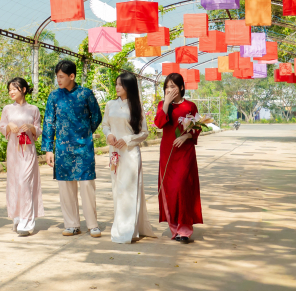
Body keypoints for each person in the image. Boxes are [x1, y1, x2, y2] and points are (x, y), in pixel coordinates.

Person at [42, 59, 103, 237]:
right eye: (57, 77)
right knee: (65, 187)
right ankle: (71, 224)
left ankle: (92, 225)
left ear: (72, 76)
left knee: (87, 186)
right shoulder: (54, 96)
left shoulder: (86, 94)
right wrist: (48, 149)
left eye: (61, 76)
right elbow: (49, 122)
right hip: (62, 149)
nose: (58, 80)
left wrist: (85, 133)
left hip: (84, 148)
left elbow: (96, 116)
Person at [103, 72, 155, 244]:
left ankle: (128, 230)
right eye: (116, 84)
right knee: (117, 189)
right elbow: (105, 125)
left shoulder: (137, 107)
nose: (117, 87)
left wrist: (127, 139)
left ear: (129, 86)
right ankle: (122, 226)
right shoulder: (110, 104)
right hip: (115, 153)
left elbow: (144, 133)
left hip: (131, 154)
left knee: (130, 191)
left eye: (121, 84)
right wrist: (109, 135)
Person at [153, 72, 203, 244]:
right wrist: (166, 103)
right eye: (167, 87)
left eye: (173, 86)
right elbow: (159, 123)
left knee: (183, 186)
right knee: (171, 189)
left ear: (181, 87)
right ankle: (174, 227)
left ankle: (185, 229)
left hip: (185, 151)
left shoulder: (190, 106)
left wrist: (186, 136)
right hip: (168, 151)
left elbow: (197, 127)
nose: (169, 90)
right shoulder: (163, 105)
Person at [0, 77, 44, 236]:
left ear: (23, 90)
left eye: (14, 89)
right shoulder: (7, 109)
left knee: (25, 182)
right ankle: (17, 216)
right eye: (9, 89)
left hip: (28, 150)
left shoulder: (33, 109)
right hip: (13, 151)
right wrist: (8, 126)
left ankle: (27, 221)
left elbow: (39, 131)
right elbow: (2, 127)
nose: (11, 92)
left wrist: (31, 127)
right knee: (14, 183)